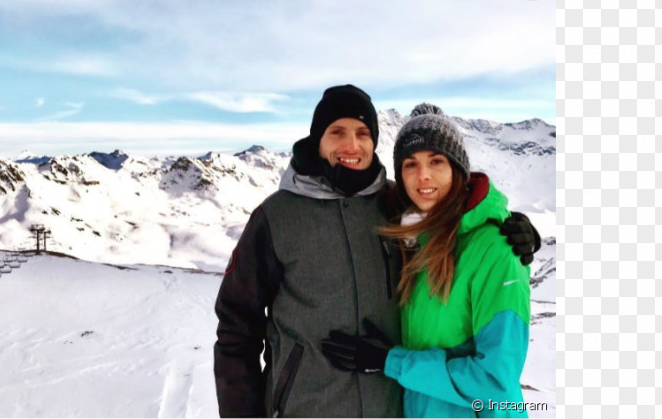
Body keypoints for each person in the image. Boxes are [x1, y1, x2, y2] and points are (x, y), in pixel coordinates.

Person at [214, 86, 539, 418]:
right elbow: (237, 327)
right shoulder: (278, 217)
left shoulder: (394, 206)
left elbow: (460, 213)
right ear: (318, 140)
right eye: (337, 132)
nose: (351, 145)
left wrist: (511, 226)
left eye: (363, 133)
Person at [321, 104, 532, 417]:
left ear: (458, 169)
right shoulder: (414, 237)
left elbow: (495, 382)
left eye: (436, 161)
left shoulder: (495, 249)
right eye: (410, 164)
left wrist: (390, 362)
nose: (423, 176)